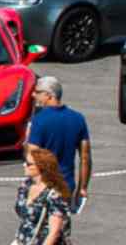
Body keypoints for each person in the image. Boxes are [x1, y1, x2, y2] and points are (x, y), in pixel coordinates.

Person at [25, 75, 90, 204]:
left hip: (43, 185)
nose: (33, 95)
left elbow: (31, 154)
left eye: (37, 92)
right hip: (66, 185)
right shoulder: (78, 118)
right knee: (62, 221)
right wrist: (82, 187)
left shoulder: (39, 120)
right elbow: (85, 157)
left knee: (39, 222)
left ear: (49, 95)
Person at [15, 149, 73, 245]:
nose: (24, 165)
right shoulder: (25, 185)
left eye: (29, 164)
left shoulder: (54, 195)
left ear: (41, 167)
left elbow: (54, 233)